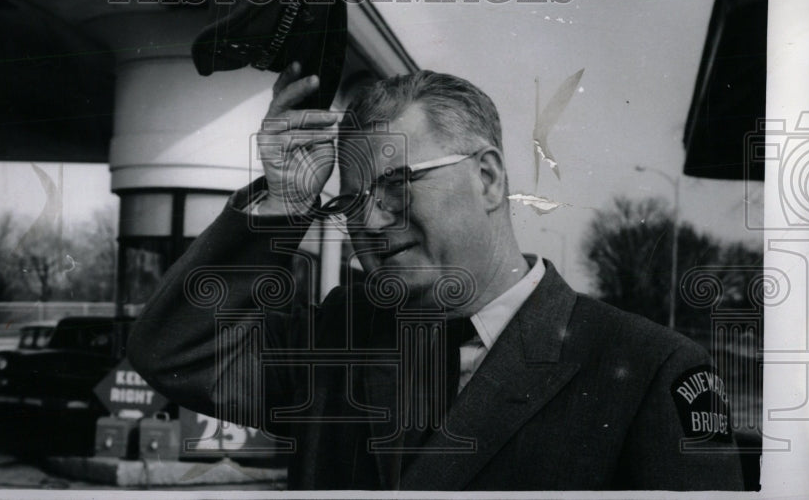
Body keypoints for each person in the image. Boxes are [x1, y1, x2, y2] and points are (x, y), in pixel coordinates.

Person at [127, 64, 745, 491]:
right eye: (352, 201)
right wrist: (282, 204)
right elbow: (177, 352)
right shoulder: (343, 336)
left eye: (397, 186)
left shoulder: (649, 370)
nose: (371, 219)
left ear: (489, 178)